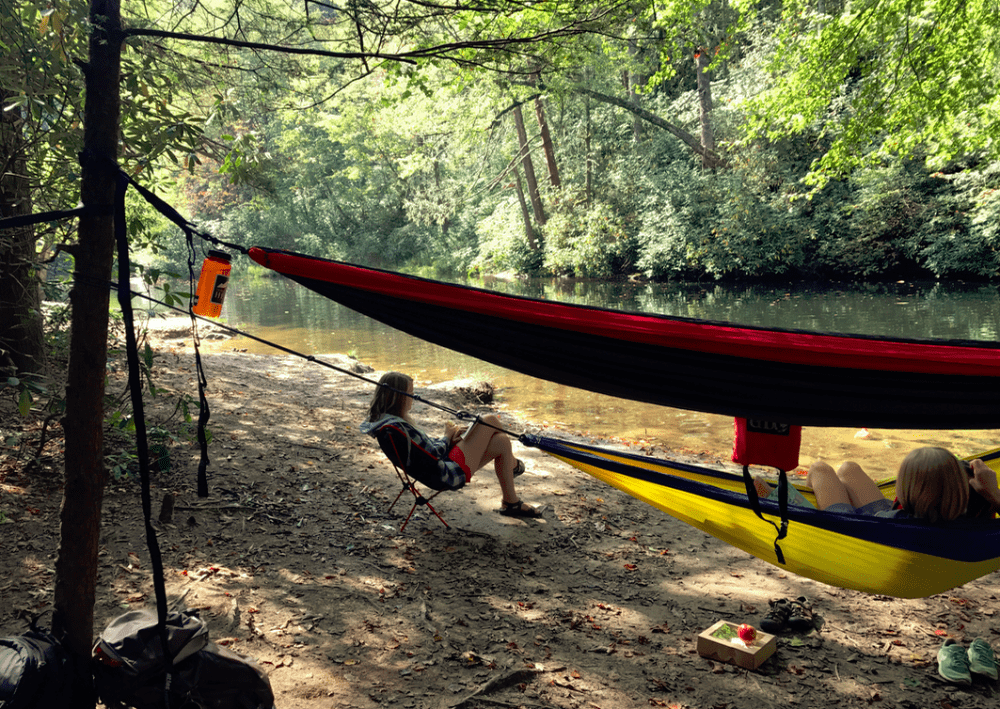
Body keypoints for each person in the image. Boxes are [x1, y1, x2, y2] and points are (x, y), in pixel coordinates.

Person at [361, 371, 542, 518]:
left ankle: (511, 502)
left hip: (439, 467)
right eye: (411, 393)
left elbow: (425, 453)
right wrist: (447, 438)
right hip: (447, 473)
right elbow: (432, 453)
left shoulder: (385, 423)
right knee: (490, 419)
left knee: (501, 441)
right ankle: (513, 465)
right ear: (399, 397)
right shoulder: (397, 427)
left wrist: (449, 440)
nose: (413, 398)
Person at [754, 446, 1000, 521]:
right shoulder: (976, 514)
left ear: (903, 491)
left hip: (853, 529)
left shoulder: (896, 520)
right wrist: (992, 494)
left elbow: (879, 521)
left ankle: (777, 499)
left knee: (819, 469)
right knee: (848, 468)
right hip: (886, 517)